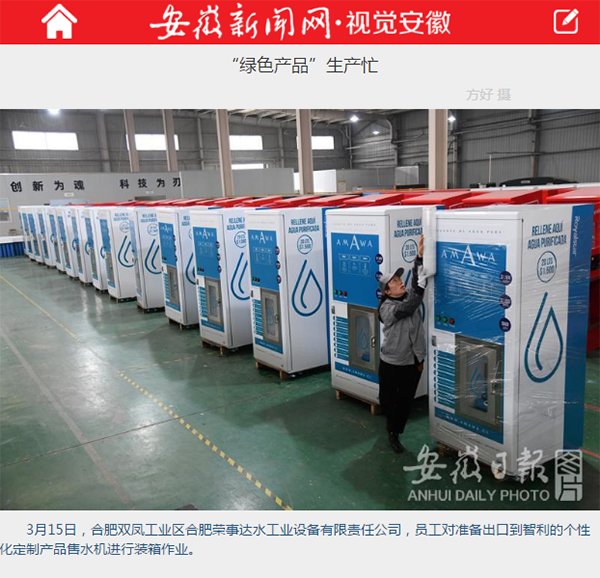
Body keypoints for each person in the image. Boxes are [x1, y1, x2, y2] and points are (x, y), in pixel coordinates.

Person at [377, 235, 426, 453]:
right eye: (394, 282)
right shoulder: (386, 308)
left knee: (405, 400)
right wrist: (419, 287)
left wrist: (419, 258)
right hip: (391, 361)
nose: (400, 282)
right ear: (387, 292)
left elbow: (417, 284)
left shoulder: (408, 298)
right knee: (388, 400)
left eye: (399, 279)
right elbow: (409, 306)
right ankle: (390, 422)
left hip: (413, 360)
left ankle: (395, 433)